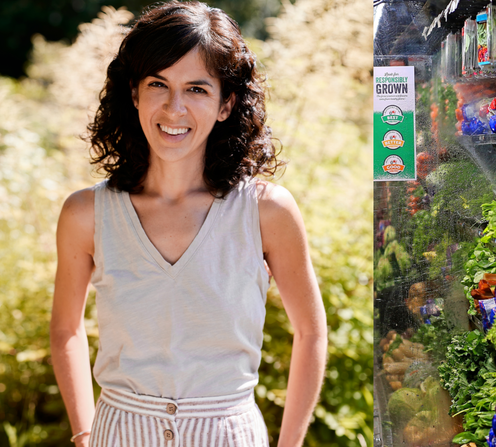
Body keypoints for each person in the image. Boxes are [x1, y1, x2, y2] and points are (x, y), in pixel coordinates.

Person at [49, 2, 328, 446]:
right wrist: (85, 434)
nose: (174, 107)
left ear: (226, 103)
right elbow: (66, 328)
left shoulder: (266, 211)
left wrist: (289, 443)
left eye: (197, 88)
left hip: (229, 432)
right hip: (117, 432)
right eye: (158, 84)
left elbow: (311, 331)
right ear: (135, 94)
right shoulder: (86, 214)